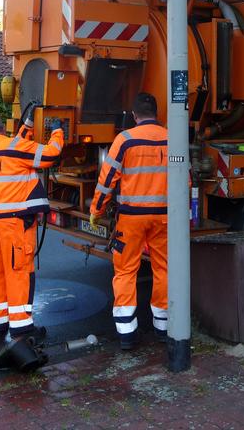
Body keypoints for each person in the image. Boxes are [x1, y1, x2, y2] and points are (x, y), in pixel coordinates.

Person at [89, 92, 168, 349]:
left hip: (131, 219)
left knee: (125, 271)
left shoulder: (125, 140)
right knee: (163, 268)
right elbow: (185, 179)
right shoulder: (172, 138)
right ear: (157, 113)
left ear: (134, 116)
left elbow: (107, 178)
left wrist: (97, 210)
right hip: (165, 217)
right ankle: (163, 327)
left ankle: (127, 334)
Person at [0, 110, 64, 344]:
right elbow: (49, 154)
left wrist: (25, 128)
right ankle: (22, 328)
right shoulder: (15, 147)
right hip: (13, 222)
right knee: (18, 272)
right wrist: (57, 131)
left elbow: (16, 147)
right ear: (2, 129)